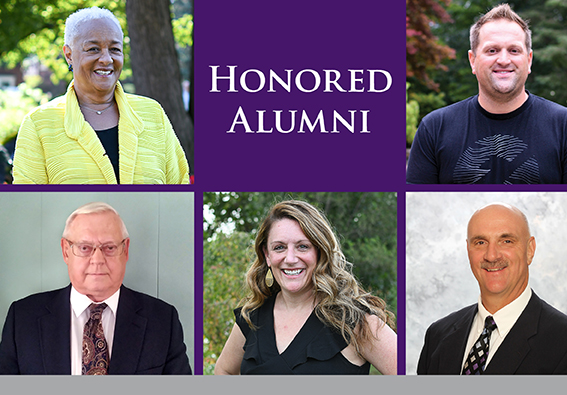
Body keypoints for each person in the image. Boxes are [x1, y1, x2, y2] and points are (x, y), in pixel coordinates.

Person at [406, 3, 567, 184]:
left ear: (529, 60)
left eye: (514, 50)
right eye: (492, 50)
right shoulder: (434, 129)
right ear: (472, 60)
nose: (504, 60)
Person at [0, 202, 192, 374]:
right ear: (66, 251)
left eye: (109, 248)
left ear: (125, 250)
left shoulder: (163, 320)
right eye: (85, 248)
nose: (98, 260)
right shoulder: (23, 318)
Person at [214, 200, 397, 375]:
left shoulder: (355, 321)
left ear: (319, 252)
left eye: (303, 246)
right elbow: (224, 371)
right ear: (267, 255)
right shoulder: (251, 317)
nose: (291, 259)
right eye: (279, 248)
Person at [12, 7, 189, 184]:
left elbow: (180, 191)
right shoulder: (39, 124)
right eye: (93, 49)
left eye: (114, 49)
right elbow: (28, 204)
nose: (106, 59)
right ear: (69, 54)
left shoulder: (153, 114)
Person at [417, 203, 567, 374]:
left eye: (507, 241)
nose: (492, 255)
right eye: (480, 242)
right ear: (468, 250)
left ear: (530, 250)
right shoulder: (437, 335)